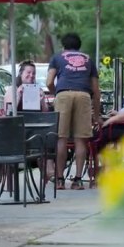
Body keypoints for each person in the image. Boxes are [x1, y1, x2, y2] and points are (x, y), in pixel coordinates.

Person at [47, 33, 101, 190]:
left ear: (63, 46)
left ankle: (59, 180)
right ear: (79, 46)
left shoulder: (57, 57)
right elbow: (96, 90)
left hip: (63, 94)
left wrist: (56, 93)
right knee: (80, 139)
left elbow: (49, 81)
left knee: (61, 138)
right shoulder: (89, 60)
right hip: (84, 95)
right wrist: (96, 116)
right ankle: (77, 180)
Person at [4, 60, 55, 179]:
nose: (31, 76)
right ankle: (50, 173)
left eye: (34, 73)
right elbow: (9, 112)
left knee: (48, 137)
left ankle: (49, 173)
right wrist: (19, 95)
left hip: (35, 130)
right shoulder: (12, 90)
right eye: (28, 72)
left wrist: (42, 100)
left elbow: (45, 113)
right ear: (20, 74)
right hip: (15, 132)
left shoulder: (37, 89)